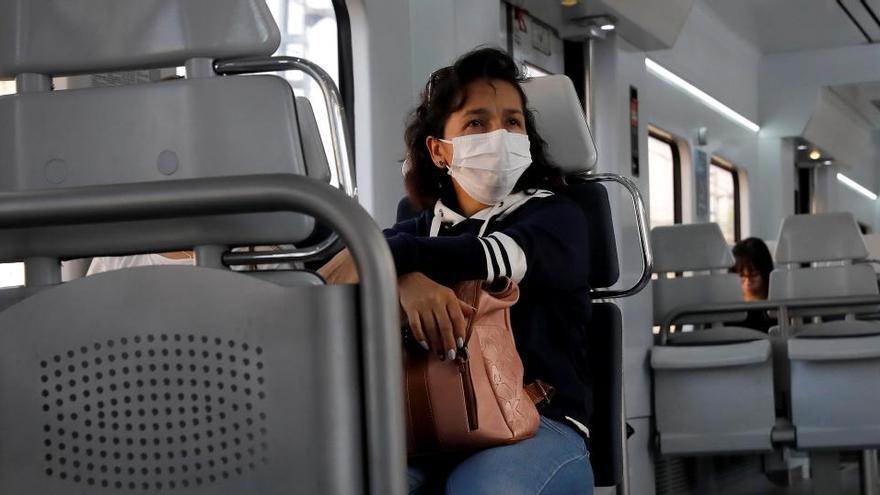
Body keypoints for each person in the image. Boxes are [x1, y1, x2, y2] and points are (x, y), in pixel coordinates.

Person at [320, 47, 594, 494]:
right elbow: (337, 273)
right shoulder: (416, 230)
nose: (499, 135)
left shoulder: (559, 219)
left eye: (512, 122)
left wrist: (390, 260)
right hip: (423, 425)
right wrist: (403, 283)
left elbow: (486, 257)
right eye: (476, 123)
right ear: (440, 150)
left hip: (539, 423)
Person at [732, 237, 775, 332]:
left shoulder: (777, 308)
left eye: (754, 275)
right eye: (742, 276)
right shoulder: (729, 310)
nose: (747, 282)